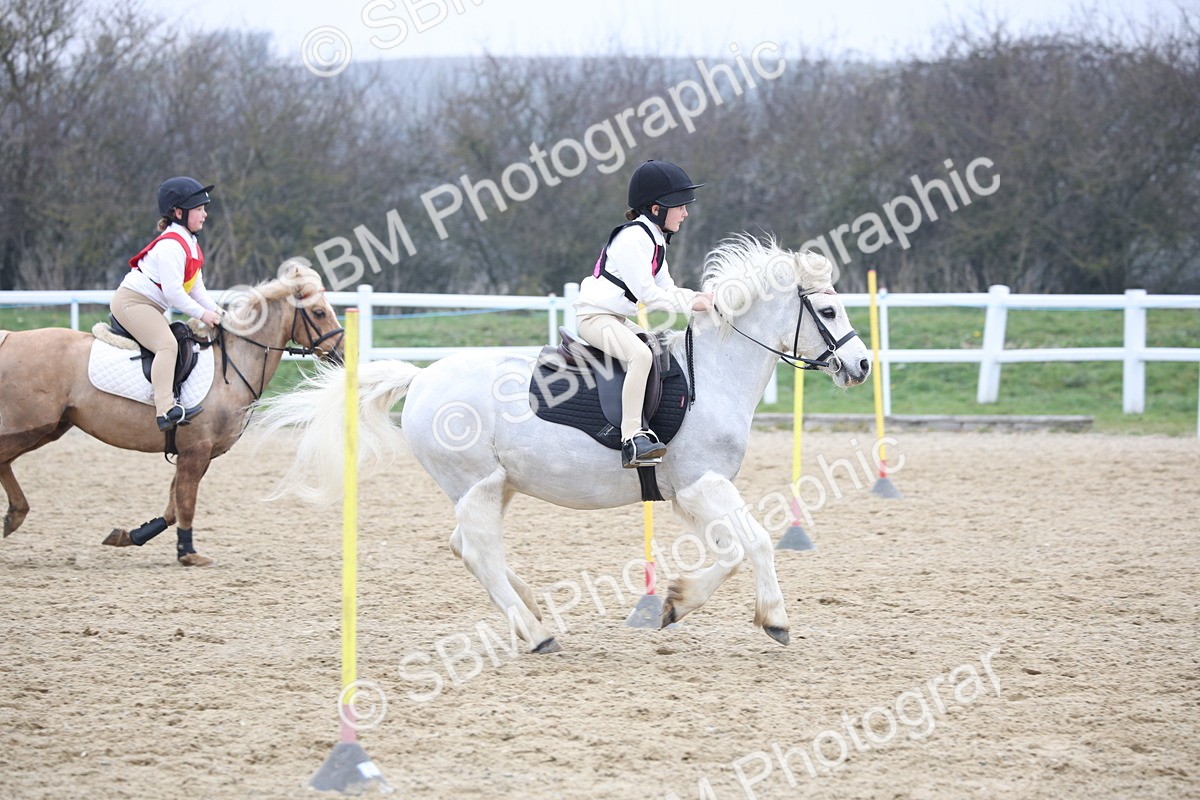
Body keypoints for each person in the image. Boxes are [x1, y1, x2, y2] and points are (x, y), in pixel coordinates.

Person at [573, 159, 714, 468]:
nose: (685, 212)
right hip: (594, 318)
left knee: (657, 346)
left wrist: (700, 298)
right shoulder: (633, 238)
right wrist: (693, 303)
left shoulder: (654, 239)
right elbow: (649, 294)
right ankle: (631, 438)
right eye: (680, 206)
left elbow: (667, 286)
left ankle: (651, 424)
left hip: (615, 318)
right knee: (641, 356)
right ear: (655, 209)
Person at [111, 176, 225, 431]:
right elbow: (174, 294)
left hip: (148, 305)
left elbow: (197, 289)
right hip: (132, 303)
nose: (205, 215)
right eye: (199, 209)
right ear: (178, 212)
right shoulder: (172, 245)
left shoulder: (190, 243)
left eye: (204, 209)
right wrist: (204, 315)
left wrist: (219, 313)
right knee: (166, 345)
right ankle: (165, 410)